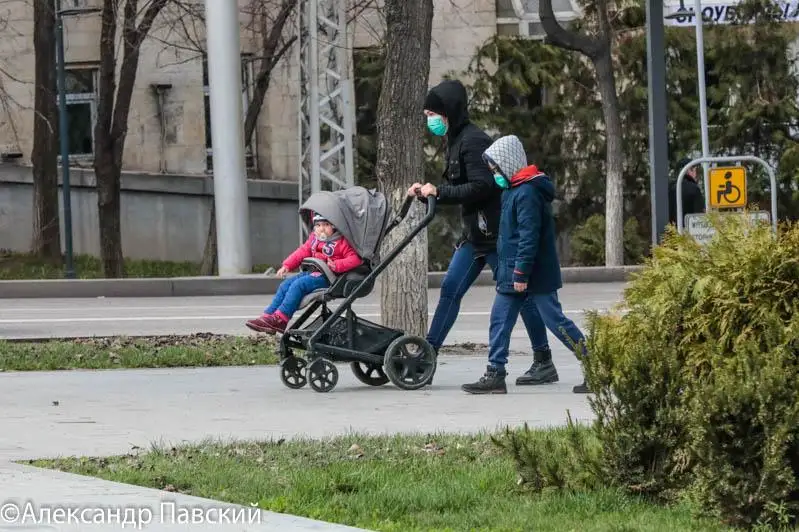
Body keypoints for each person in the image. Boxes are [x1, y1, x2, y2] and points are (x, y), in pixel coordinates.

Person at [409, 79, 560, 387]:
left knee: (522, 295)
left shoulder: (473, 140)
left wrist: (440, 190)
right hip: (475, 235)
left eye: (431, 113)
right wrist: (429, 193)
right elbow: (461, 188)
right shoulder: (454, 139)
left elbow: (483, 185)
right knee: (450, 289)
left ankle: (543, 359)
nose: (429, 120)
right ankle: (428, 355)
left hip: (495, 235)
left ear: (448, 111)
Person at [460, 134, 590, 395]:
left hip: (532, 272)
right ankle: (495, 373)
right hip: (511, 270)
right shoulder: (512, 189)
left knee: (555, 321)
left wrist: (521, 272)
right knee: (499, 319)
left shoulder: (528, 192)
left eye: (495, 168)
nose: (493, 174)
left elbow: (528, 237)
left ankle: (596, 365)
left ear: (507, 164)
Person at [245, 214, 363, 334]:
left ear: (334, 226)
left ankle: (280, 318)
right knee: (285, 285)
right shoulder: (313, 239)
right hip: (312, 272)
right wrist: (287, 265)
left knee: (298, 285)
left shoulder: (341, 241)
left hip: (328, 276)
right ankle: (268, 317)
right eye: (318, 225)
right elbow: (301, 252)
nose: (321, 229)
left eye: (326, 225)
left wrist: (337, 265)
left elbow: (355, 259)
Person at [668, 157, 705, 226]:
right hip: (688, 233)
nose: (696, 174)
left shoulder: (669, 187)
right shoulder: (694, 189)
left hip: (669, 233)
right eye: (695, 170)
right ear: (689, 170)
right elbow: (700, 216)